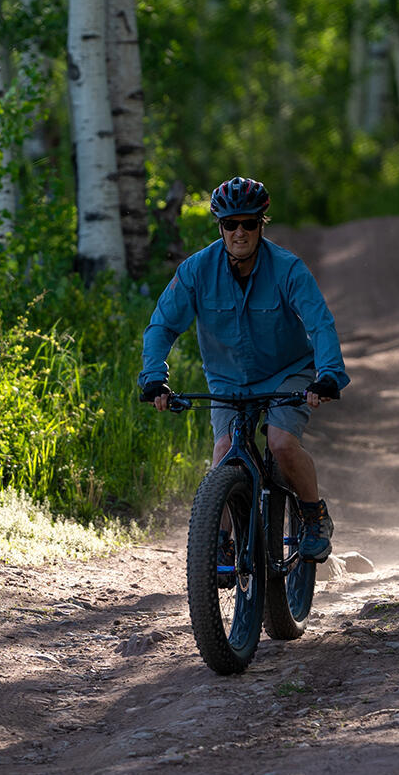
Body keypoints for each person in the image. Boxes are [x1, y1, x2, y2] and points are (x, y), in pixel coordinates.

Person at [138, 177, 349, 562]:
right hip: (228, 381)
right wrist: (154, 377)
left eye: (249, 223)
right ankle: (218, 543)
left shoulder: (288, 269)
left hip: (288, 373)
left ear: (261, 224)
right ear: (220, 226)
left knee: (281, 442)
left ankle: (312, 515)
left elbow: (320, 323)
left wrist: (328, 374)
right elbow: (162, 326)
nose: (240, 232)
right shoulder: (196, 271)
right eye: (231, 224)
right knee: (224, 452)